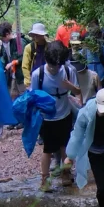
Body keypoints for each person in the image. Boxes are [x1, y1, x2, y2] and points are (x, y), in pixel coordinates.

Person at [30, 39, 79, 189]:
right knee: (48, 149)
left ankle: (66, 173)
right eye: (52, 66)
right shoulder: (38, 74)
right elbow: (34, 97)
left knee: (66, 146)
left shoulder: (70, 71)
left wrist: (69, 86)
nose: (55, 69)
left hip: (65, 114)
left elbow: (77, 93)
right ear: (46, 60)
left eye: (58, 65)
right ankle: (44, 179)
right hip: (47, 118)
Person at [69, 31, 100, 105]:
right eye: (73, 44)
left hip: (86, 76)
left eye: (77, 44)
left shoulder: (85, 52)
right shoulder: (68, 54)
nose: (75, 46)